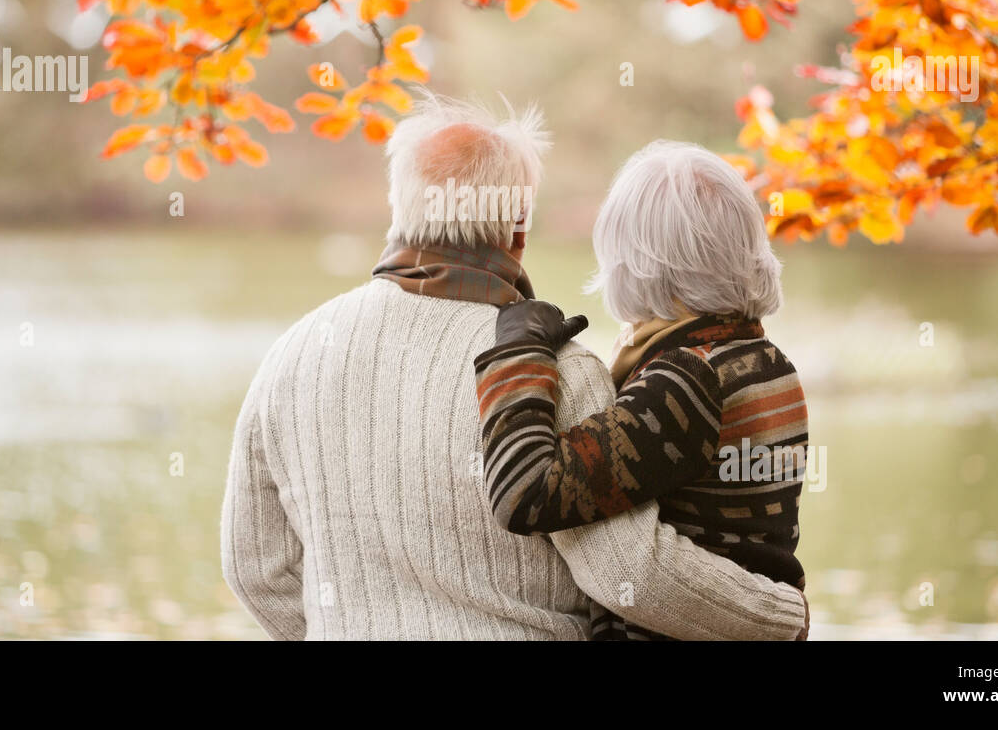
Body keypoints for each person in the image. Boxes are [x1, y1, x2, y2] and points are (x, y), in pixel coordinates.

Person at [222, 97, 807, 639]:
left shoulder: (292, 353)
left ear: (399, 204)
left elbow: (257, 572)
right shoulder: (563, 371)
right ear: (518, 229)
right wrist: (785, 613)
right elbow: (630, 575)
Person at [475, 141, 808, 639]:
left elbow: (522, 492)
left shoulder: (688, 380)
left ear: (635, 262)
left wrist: (517, 353)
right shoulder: (764, 359)